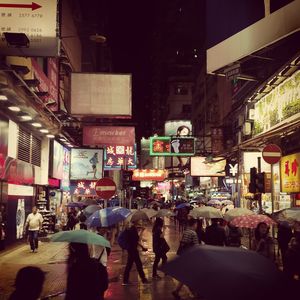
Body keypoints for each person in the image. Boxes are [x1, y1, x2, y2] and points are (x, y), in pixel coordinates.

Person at [172, 218, 199, 299]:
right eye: (196, 224)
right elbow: (196, 246)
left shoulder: (186, 231)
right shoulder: (193, 233)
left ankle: (177, 291)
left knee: (187, 275)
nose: (197, 226)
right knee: (192, 275)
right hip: (191, 257)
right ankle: (194, 294)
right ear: (194, 224)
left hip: (185, 255)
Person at [123, 220, 150, 285]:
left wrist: (142, 247)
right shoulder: (132, 230)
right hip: (133, 250)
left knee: (129, 265)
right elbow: (137, 239)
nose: (141, 222)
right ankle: (143, 279)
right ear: (136, 222)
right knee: (138, 265)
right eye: (139, 221)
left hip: (131, 249)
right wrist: (142, 231)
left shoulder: (132, 229)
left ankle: (125, 280)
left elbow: (136, 241)